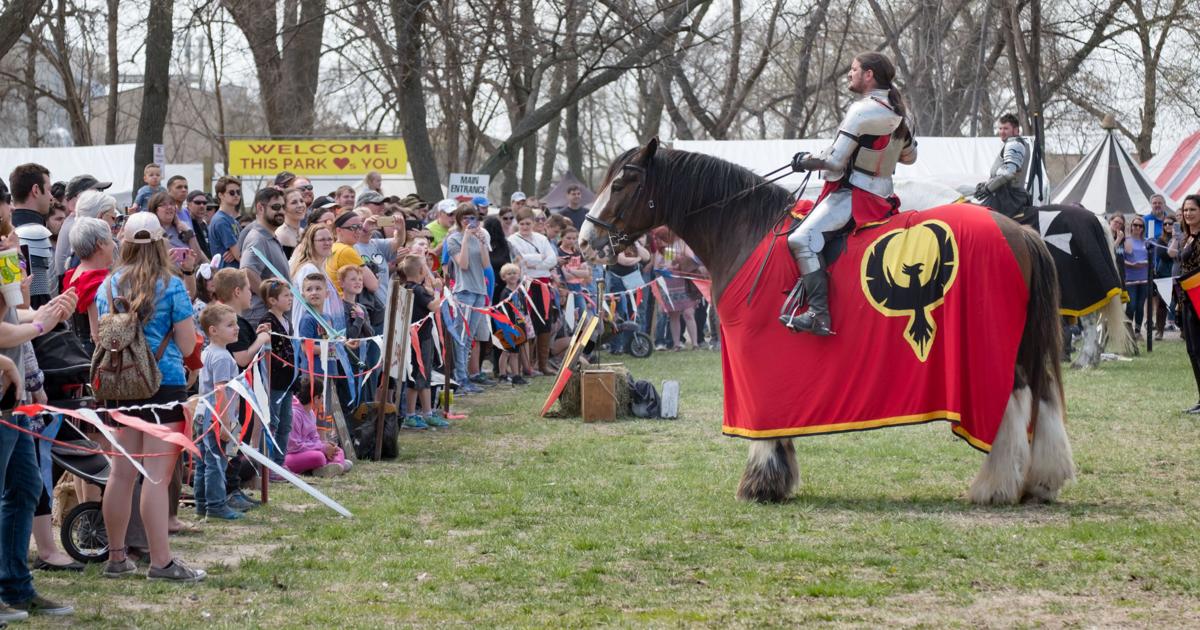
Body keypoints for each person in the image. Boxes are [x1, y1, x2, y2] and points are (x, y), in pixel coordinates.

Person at [94, 211, 206, 582]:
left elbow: (101, 340)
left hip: (119, 389)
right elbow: (189, 343)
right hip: (163, 385)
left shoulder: (107, 286)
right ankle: (161, 562)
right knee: (156, 478)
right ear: (161, 244)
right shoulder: (170, 286)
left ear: (122, 242)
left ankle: (116, 557)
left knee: (121, 474)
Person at [780, 52, 916, 335]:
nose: (849, 75)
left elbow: (834, 162)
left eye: (853, 70)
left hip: (858, 196)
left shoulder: (863, 110)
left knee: (800, 238)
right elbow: (909, 157)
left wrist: (804, 160)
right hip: (885, 196)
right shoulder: (901, 111)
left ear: (869, 75)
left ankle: (819, 315)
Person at [193, 303, 246, 521]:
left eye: (235, 324)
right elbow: (220, 390)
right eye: (230, 325)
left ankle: (202, 503)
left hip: (202, 412)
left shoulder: (207, 353)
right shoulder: (223, 357)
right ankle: (215, 505)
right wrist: (224, 423)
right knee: (216, 461)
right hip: (216, 414)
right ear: (213, 330)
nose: (236, 328)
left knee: (203, 462)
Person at [400, 255, 446, 429]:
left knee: (416, 376)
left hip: (415, 338)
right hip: (420, 339)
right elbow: (434, 307)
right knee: (422, 375)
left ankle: (412, 414)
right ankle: (425, 413)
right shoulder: (417, 290)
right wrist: (437, 291)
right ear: (421, 271)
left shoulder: (408, 287)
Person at [62, 217, 115, 354]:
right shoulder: (95, 280)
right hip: (93, 354)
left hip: (76, 347)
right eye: (110, 240)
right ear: (100, 244)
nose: (114, 245)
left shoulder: (74, 272)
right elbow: (97, 334)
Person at [258, 279, 296, 470]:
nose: (290, 299)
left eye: (291, 295)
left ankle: (279, 464)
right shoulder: (267, 321)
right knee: (273, 421)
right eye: (286, 296)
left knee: (285, 423)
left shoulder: (287, 321)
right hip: (274, 381)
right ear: (272, 301)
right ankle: (268, 464)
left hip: (288, 381)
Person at [239, 188, 291, 324]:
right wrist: (271, 301)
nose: (281, 211)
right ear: (260, 208)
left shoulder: (269, 236)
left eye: (283, 207)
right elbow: (248, 272)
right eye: (275, 207)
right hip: (262, 319)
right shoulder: (258, 238)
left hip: (272, 317)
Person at [9, 163, 57, 308]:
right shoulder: (33, 234)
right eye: (48, 190)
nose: (51, 197)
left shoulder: (10, 232)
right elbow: (39, 298)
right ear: (36, 190)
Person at [975, 113, 1033, 225]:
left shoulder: (1014, 144)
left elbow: (1008, 174)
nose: (1002, 132)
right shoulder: (1018, 143)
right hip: (1007, 195)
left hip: (1006, 199)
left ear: (1016, 130)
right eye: (1000, 128)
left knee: (976, 220)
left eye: (1006, 128)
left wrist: (987, 188)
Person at [286, 380, 351, 476]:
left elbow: (315, 439)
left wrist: (326, 445)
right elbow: (293, 446)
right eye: (322, 396)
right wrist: (322, 448)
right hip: (291, 455)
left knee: (338, 451)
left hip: (307, 451)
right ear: (316, 398)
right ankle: (333, 465)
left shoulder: (311, 413)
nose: (322, 400)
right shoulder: (295, 414)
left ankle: (330, 467)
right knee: (319, 457)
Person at [1174, 195, 1200, 413]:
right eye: (1185, 210)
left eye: (1192, 209)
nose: (1188, 213)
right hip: (1185, 300)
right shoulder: (1185, 238)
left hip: (1198, 298)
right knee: (1192, 350)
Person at [1124, 216, 1151, 339]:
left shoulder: (1147, 242)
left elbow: (1153, 259)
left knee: (1140, 306)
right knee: (1131, 305)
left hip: (1144, 278)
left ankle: (1138, 331)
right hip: (1130, 278)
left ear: (1143, 228)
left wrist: (1147, 263)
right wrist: (1132, 265)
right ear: (1131, 226)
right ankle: (1128, 330)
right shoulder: (1126, 240)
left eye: (1140, 226)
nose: (1137, 228)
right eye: (1135, 225)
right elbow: (1122, 259)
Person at [208, 176, 244, 266]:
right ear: (221, 195)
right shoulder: (221, 221)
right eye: (231, 192)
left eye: (238, 192)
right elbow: (240, 256)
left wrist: (234, 251)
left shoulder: (233, 221)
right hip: (226, 275)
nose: (236, 195)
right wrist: (236, 251)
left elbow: (244, 246)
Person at [275, 187, 306, 259]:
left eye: (301, 201)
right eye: (294, 202)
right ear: (284, 208)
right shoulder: (280, 235)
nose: (300, 205)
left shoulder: (304, 232)